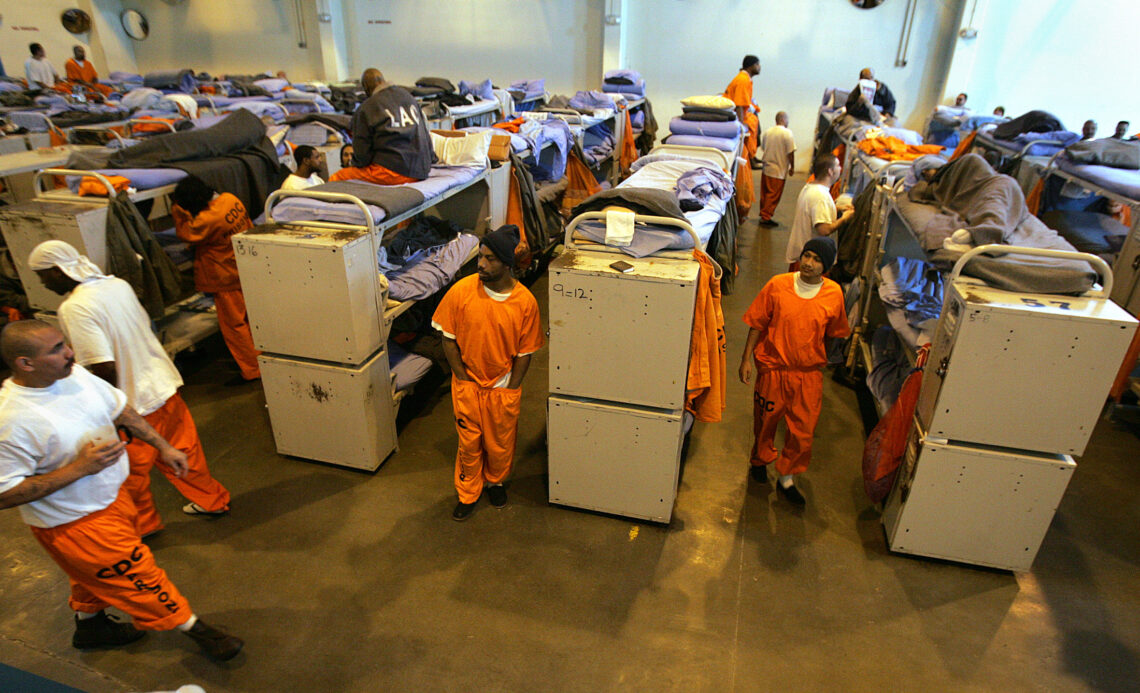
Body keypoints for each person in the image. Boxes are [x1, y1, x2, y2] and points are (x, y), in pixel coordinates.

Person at [0, 320, 243, 661]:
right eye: (55, 349)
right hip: (75, 523)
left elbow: (121, 409)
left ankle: (91, 626)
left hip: (113, 498)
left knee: (91, 574)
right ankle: (198, 631)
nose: (69, 352)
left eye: (64, 343)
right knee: (139, 576)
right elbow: (4, 494)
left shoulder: (73, 375)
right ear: (25, 363)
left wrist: (163, 446)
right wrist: (80, 468)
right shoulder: (11, 420)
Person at [28, 240, 231, 536]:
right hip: (163, 384)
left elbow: (103, 366)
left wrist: (105, 412)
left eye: (42, 275)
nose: (42, 283)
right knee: (184, 451)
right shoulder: (117, 285)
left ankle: (144, 526)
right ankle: (213, 501)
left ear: (58, 271)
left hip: (132, 402)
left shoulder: (75, 307)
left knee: (130, 474)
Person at [431, 225, 544, 521]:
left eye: (490, 258)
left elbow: (525, 353)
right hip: (468, 384)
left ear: (507, 264)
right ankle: (468, 492)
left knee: (500, 443)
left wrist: (512, 387)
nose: (481, 263)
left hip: (502, 386)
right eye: (481, 256)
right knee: (469, 443)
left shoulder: (525, 304)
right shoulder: (461, 291)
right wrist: (463, 377)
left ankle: (495, 482)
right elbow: (448, 338)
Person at [739, 237, 850, 506]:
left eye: (817, 260)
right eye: (807, 256)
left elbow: (834, 333)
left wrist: (817, 357)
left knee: (803, 430)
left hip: (807, 374)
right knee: (765, 422)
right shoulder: (778, 285)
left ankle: (787, 476)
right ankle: (760, 459)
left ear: (827, 266)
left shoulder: (834, 294)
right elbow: (757, 323)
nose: (809, 264)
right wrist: (746, 359)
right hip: (774, 370)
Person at [170, 177, 260, 382]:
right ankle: (259, 358)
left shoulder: (206, 220)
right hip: (244, 267)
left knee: (235, 326)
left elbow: (186, 234)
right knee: (251, 320)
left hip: (226, 276)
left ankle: (252, 369)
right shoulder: (230, 199)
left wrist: (177, 209)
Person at [332, 68, 432, 184]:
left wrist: (356, 164)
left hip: (396, 172)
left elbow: (362, 156)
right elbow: (426, 136)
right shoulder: (409, 98)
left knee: (337, 177)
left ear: (366, 88)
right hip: (422, 169)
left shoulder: (366, 108)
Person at [785, 154, 853, 270]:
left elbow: (812, 211)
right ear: (830, 172)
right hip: (811, 262)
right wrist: (844, 218)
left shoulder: (810, 187)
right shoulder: (821, 196)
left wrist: (835, 208)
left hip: (802, 256)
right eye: (838, 165)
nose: (840, 168)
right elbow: (824, 229)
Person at [757, 111, 796, 227]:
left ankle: (764, 214)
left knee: (765, 193)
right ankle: (766, 217)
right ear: (783, 120)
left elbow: (763, 148)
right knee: (773, 195)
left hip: (766, 168)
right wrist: (792, 167)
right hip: (779, 170)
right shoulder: (787, 133)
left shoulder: (768, 132)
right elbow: (791, 152)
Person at [723, 55, 762, 164]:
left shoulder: (745, 79)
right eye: (758, 64)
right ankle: (749, 157)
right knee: (751, 124)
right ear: (751, 66)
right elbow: (739, 104)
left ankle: (751, 156)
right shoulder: (743, 80)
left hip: (738, 112)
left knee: (755, 120)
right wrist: (741, 125)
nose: (760, 67)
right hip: (733, 115)